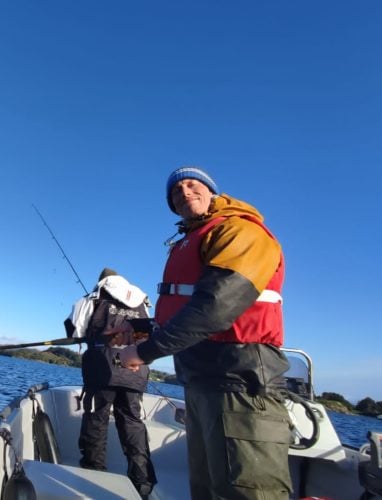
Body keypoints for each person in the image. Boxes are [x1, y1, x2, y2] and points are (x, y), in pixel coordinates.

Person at [117, 166, 293, 499]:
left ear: (212, 191)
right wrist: (138, 326)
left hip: (241, 381)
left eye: (192, 184)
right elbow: (186, 307)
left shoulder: (240, 231)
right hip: (202, 382)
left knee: (244, 491)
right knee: (206, 488)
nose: (184, 192)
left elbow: (217, 306)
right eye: (175, 191)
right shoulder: (191, 240)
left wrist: (143, 353)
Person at [65, 268, 157, 498]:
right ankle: (142, 483)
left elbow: (74, 330)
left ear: (103, 281)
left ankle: (94, 474)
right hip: (136, 369)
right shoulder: (142, 302)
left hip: (102, 368)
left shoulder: (94, 297)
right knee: (133, 423)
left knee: (97, 419)